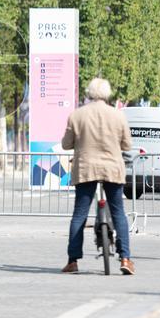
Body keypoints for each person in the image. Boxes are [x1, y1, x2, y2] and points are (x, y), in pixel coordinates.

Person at [60, 78, 135, 275]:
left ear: (89, 93)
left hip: (86, 169)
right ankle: (126, 258)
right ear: (108, 93)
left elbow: (66, 144)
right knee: (119, 213)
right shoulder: (118, 115)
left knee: (79, 215)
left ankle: (73, 261)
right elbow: (127, 145)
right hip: (112, 169)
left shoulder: (77, 115)